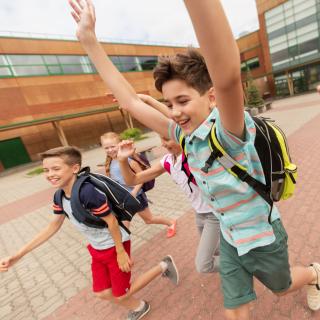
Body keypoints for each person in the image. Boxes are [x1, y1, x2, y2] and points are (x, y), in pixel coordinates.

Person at [69, 0, 320, 319]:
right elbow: (130, 101)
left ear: (211, 97)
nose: (174, 111)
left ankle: (314, 274)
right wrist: (90, 41)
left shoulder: (230, 130)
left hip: (261, 236)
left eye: (183, 100)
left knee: (283, 287)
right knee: (235, 311)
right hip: (230, 238)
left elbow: (227, 76)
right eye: (169, 102)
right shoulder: (183, 134)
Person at [0, 146, 179, 320]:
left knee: (122, 294)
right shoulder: (59, 196)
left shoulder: (87, 193)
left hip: (114, 245)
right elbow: (52, 226)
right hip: (96, 249)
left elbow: (112, 222)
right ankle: (139, 306)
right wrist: (18, 255)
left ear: (74, 168)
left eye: (55, 168)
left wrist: (120, 252)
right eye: (45, 170)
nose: (50, 174)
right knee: (102, 293)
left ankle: (163, 267)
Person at [118, 136, 220, 273]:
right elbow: (133, 180)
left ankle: (244, 264)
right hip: (200, 214)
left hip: (215, 214)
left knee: (204, 264)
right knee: (217, 249)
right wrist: (123, 160)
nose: (163, 144)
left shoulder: (193, 154)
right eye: (161, 139)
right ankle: (237, 272)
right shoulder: (167, 161)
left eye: (167, 139)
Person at [100, 131, 177, 238]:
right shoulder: (110, 162)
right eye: (106, 148)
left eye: (112, 146)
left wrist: (134, 192)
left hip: (136, 197)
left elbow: (140, 178)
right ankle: (122, 245)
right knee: (123, 223)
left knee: (149, 220)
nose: (110, 150)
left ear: (119, 145)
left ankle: (171, 222)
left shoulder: (129, 161)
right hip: (124, 200)